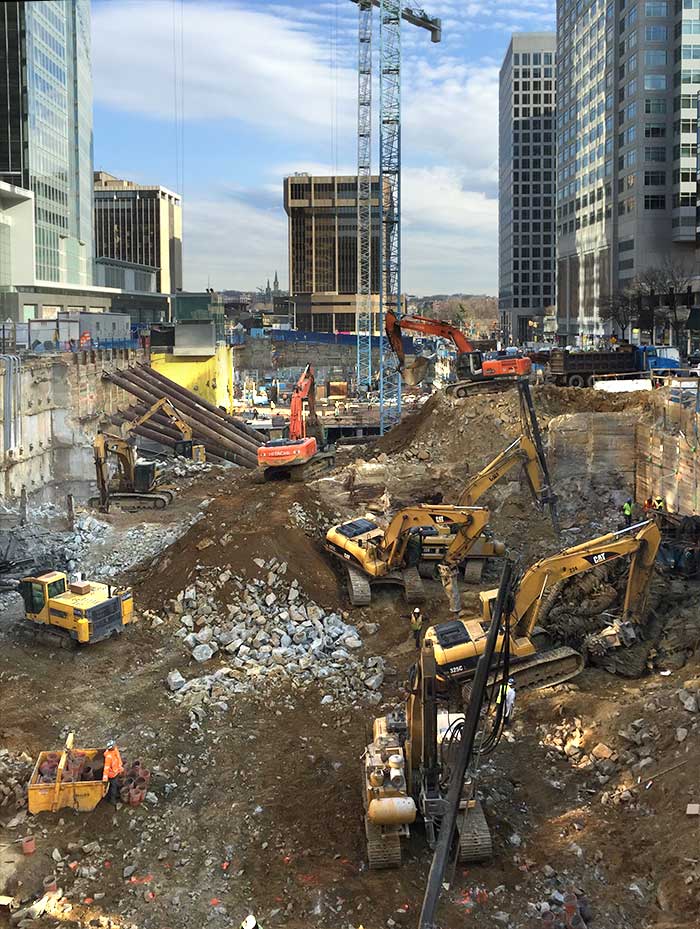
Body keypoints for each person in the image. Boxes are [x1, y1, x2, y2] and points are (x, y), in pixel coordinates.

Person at [102, 739, 124, 804]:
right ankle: (112, 800)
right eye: (114, 745)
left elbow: (118, 759)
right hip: (112, 775)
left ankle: (114, 795)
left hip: (116, 772)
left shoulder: (115, 750)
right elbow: (106, 768)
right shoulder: (108, 757)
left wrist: (120, 767)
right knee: (113, 787)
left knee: (115, 785)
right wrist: (105, 779)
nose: (115, 746)